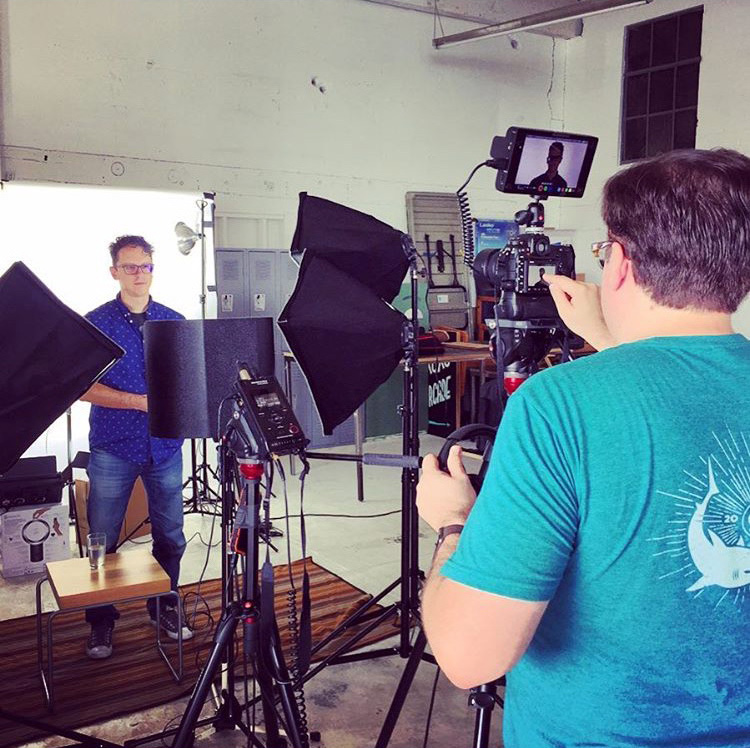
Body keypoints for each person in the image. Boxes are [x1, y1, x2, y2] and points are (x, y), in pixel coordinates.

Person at [417, 148, 750, 746]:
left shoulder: (560, 406)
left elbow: (471, 657)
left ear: (619, 264)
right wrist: (608, 340)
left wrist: (452, 525)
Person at [80, 235, 192, 659]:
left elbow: (187, 379)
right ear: (114, 271)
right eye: (130, 267)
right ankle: (101, 620)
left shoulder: (173, 320)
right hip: (113, 445)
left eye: (145, 266)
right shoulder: (94, 325)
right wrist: (138, 402)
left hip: (165, 446)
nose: (139, 274)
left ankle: (163, 604)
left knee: (172, 537)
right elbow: (82, 387)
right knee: (102, 541)